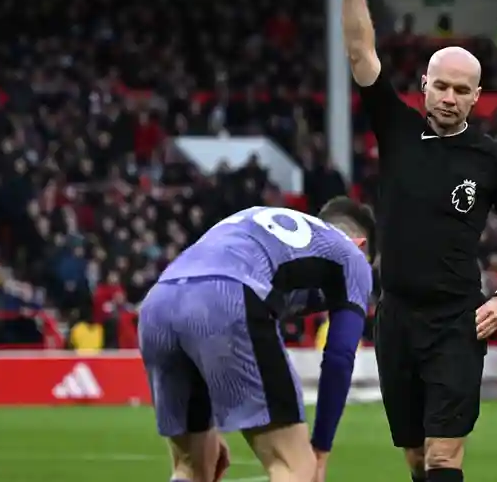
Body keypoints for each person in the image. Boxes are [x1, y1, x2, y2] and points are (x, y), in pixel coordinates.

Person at [338, 0, 497, 482]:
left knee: (443, 456)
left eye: (461, 90)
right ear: (424, 85)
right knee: (412, 458)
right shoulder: (398, 130)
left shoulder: (493, 157)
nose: (449, 98)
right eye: (441, 86)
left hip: (456, 322)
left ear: (477, 96)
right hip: (395, 318)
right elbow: (359, 49)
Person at [138, 198, 376, 482]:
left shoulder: (264, 221)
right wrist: (320, 450)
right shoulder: (351, 255)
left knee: (191, 466)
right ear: (360, 243)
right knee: (294, 465)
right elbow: (339, 356)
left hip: (158, 301)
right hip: (227, 295)